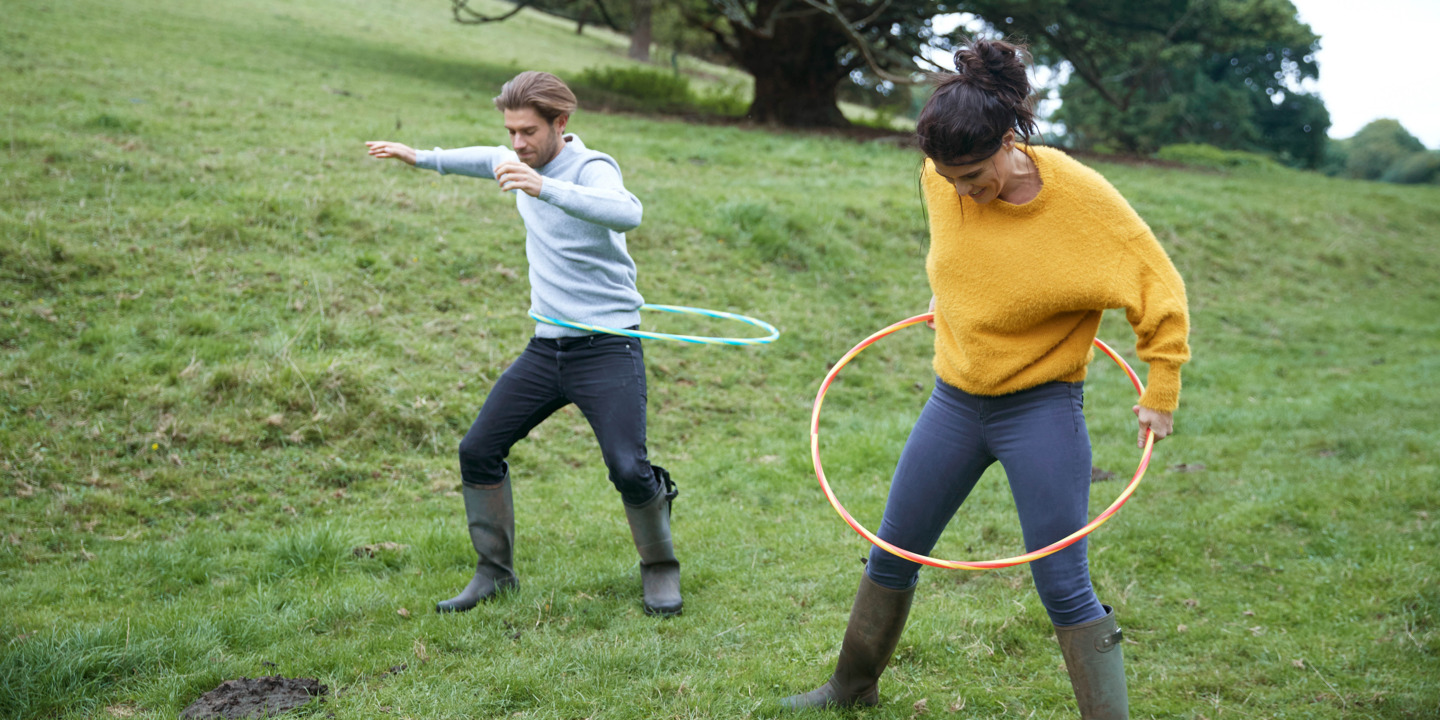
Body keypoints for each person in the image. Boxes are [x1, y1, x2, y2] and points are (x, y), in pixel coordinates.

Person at [781, 39, 1190, 718]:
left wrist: (1161, 389)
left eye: (973, 178)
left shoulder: (1083, 203)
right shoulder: (941, 177)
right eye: (948, 179)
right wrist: (955, 305)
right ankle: (849, 690)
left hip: (1041, 409)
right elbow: (964, 261)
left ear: (1008, 141)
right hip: (953, 403)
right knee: (892, 550)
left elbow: (1160, 288)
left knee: (1062, 582)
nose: (960, 192)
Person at [364, 71, 682, 618]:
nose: (517, 143)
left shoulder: (591, 167)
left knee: (629, 468)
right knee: (477, 450)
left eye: (528, 131)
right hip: (547, 348)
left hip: (608, 346)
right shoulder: (513, 159)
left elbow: (628, 211)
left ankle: (659, 569)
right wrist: (419, 156)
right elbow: (481, 158)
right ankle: (494, 574)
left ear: (561, 123)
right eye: (511, 131)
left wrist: (545, 187)